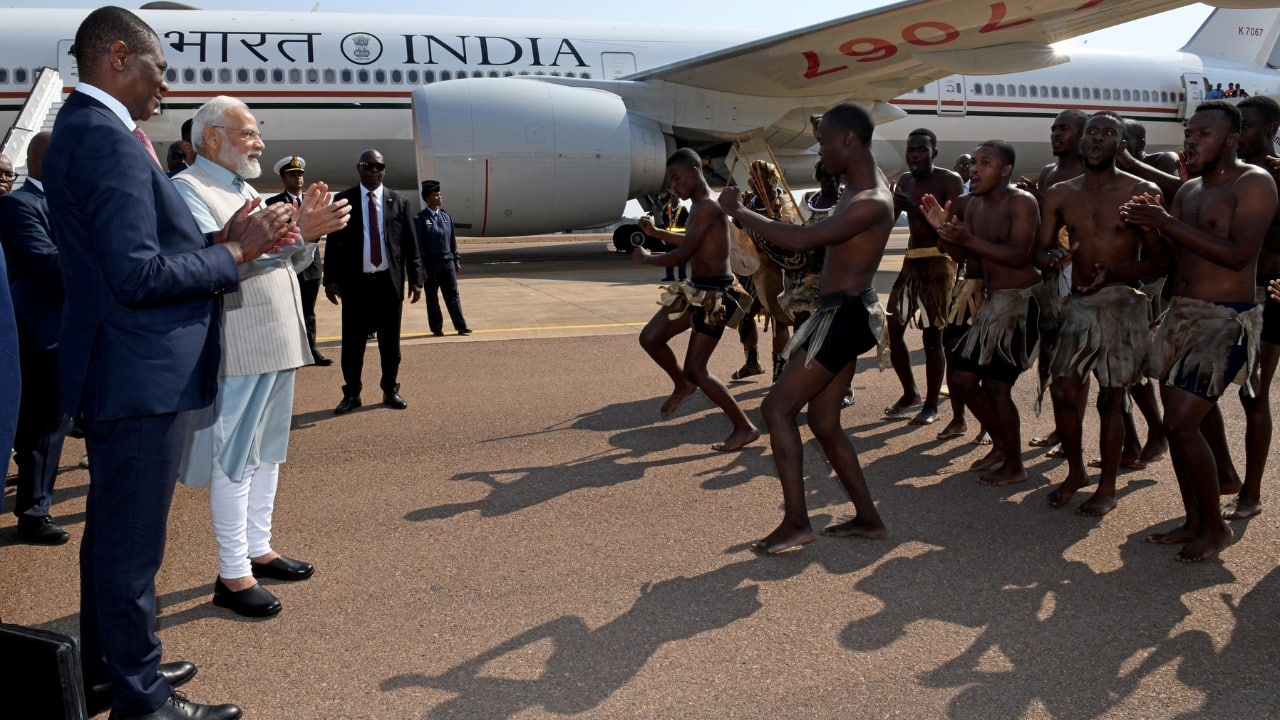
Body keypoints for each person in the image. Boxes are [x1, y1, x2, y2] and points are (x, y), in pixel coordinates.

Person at [43, 7, 298, 718]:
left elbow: (141, 254)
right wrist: (237, 253)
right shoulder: (104, 139)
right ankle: (141, 701)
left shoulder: (94, 133)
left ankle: (111, 671)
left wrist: (232, 235)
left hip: (123, 368)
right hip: (136, 372)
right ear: (119, 57)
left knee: (114, 541)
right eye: (158, 68)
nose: (166, 84)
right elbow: (136, 277)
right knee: (130, 552)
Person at [173, 96, 348, 618]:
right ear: (211, 138)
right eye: (248, 133)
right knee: (235, 457)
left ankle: (258, 548)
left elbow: (284, 257)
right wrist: (291, 235)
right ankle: (232, 574)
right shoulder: (189, 191)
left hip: (276, 339)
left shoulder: (243, 189)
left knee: (267, 451)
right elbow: (213, 263)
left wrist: (305, 233)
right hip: (241, 343)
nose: (259, 143)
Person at [719, 102, 893, 553]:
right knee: (824, 421)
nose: (821, 152)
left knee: (777, 410)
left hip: (845, 315)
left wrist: (741, 211)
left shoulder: (871, 199)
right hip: (839, 312)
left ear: (848, 140)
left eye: (824, 142)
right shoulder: (858, 189)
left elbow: (802, 240)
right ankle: (869, 519)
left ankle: (797, 523)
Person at [1120, 101, 1276, 562]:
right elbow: (1171, 260)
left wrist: (1165, 222)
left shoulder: (1253, 183)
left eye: (1203, 134)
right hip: (1180, 315)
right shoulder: (1189, 191)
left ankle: (1216, 527)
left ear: (1231, 139)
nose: (1191, 141)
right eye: (1189, 133)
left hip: (1224, 319)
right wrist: (1149, 226)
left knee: (1180, 422)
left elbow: (1238, 255)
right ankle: (1194, 520)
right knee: (1183, 424)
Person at [1037, 112, 1168, 516]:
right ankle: (1075, 472)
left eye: (1108, 133)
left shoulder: (1143, 190)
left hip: (1123, 305)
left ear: (1122, 145)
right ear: (1082, 142)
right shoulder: (1060, 193)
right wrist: (1055, 257)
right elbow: (1039, 253)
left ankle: (1107, 487)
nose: (1097, 138)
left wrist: (1116, 270)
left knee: (1112, 400)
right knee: (1063, 389)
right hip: (1079, 306)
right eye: (1092, 131)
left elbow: (1160, 264)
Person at [924, 140, 1042, 486]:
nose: (975, 169)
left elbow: (1019, 256)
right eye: (974, 162)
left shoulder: (1022, 202)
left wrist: (966, 238)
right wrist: (943, 233)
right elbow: (965, 260)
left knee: (995, 385)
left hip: (1022, 303)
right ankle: (1003, 445)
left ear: (1006, 170)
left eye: (985, 163)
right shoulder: (973, 207)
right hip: (993, 306)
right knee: (962, 379)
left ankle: (1015, 464)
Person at [631, 148, 759, 452]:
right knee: (650, 338)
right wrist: (657, 231)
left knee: (698, 369)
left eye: (676, 179)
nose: (673, 186)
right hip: (696, 289)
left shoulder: (706, 207)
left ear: (693, 172)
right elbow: (691, 241)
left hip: (715, 295)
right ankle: (682, 384)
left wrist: (648, 259)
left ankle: (744, 427)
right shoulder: (701, 206)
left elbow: (685, 252)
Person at [0, 131, 70, 544]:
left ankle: (37, 504)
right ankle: (32, 513)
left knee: (55, 425)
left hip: (69, 332)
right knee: (38, 427)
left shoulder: (69, 205)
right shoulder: (16, 204)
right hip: (37, 336)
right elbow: (46, 264)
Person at [324, 149, 423, 414]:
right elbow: (334, 242)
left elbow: (411, 244)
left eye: (379, 166)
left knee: (390, 344)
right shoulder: (344, 199)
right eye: (369, 166)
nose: (374, 171)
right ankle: (352, 393)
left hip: (388, 284)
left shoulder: (398, 201)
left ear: (384, 169)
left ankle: (390, 389)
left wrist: (415, 278)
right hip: (355, 285)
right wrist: (330, 279)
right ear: (359, 169)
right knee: (353, 344)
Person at [1220, 94, 1280, 520]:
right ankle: (1224, 472)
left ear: (1272, 131)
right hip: (1223, 296)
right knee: (1192, 395)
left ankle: (1251, 492)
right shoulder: (1230, 176)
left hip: (1266, 298)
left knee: (1253, 394)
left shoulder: (1275, 177)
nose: (1240, 135)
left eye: (1250, 127)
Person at [885, 128, 964, 425]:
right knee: (893, 328)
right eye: (911, 150)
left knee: (933, 337)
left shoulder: (949, 181)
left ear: (935, 153)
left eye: (921, 150)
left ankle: (931, 404)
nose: (914, 156)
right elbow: (890, 220)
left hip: (939, 263)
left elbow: (955, 229)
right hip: (910, 262)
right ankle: (910, 392)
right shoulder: (904, 181)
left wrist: (914, 211)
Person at [267, 154, 333, 365]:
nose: (298, 178)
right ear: (283, 179)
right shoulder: (274, 203)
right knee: (285, 310)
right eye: (292, 175)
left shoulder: (311, 203)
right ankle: (288, 353)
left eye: (300, 174)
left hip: (311, 266)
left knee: (309, 311)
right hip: (288, 263)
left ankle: (312, 352)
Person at [415, 179, 471, 336]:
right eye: (436, 195)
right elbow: (419, 246)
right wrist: (422, 268)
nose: (439, 197)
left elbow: (453, 242)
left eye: (440, 194)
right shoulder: (420, 219)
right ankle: (437, 328)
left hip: (447, 263)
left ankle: (461, 326)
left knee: (453, 295)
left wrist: (456, 260)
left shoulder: (447, 218)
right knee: (432, 298)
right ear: (427, 198)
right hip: (431, 265)